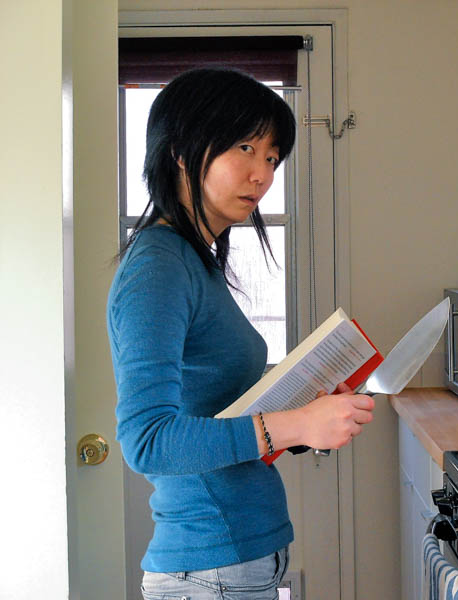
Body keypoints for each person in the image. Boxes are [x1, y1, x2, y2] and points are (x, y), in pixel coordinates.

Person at [107, 67, 375, 600]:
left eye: (272, 157)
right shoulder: (158, 266)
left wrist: (306, 414)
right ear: (180, 150)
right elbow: (147, 441)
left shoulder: (192, 259)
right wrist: (294, 424)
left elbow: (215, 408)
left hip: (234, 564)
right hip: (209, 572)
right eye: (246, 148)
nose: (263, 174)